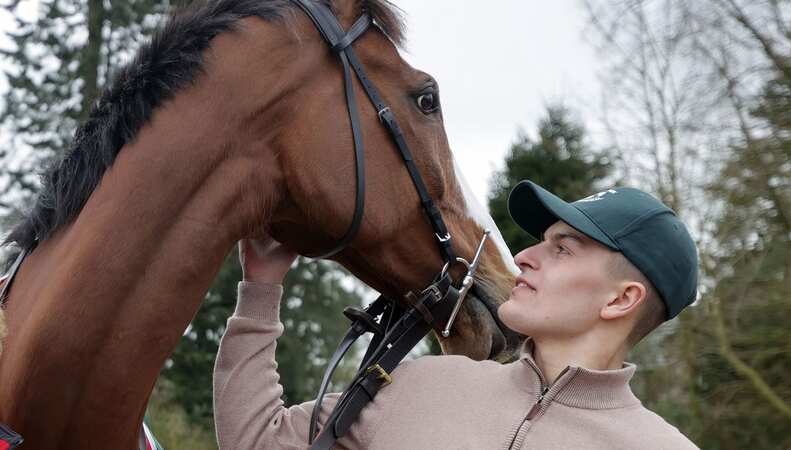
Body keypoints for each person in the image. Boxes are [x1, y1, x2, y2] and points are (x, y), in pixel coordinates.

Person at [213, 180, 700, 449]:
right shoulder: (421, 385)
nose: (525, 257)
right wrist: (261, 285)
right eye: (540, 242)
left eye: (564, 250)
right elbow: (257, 440)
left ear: (621, 299)